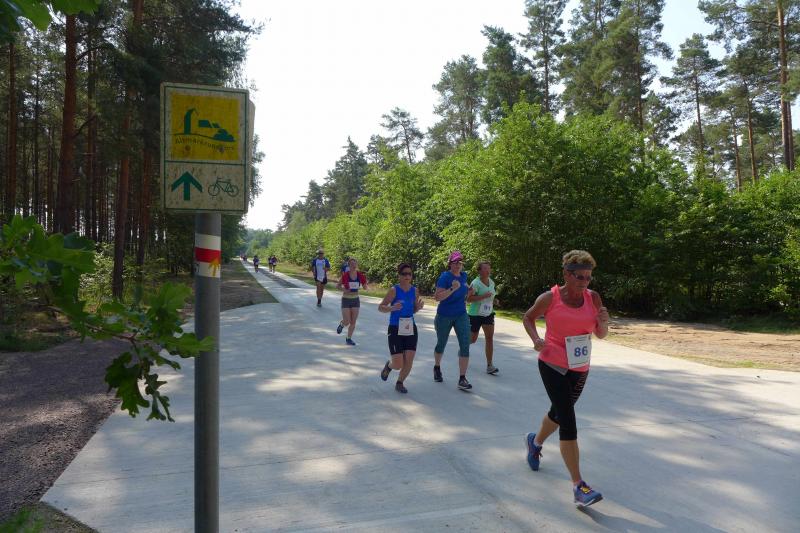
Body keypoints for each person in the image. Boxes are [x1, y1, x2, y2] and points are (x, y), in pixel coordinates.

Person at [521, 250, 610, 508]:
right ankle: (578, 486)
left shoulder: (593, 298)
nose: (585, 282)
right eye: (580, 277)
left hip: (579, 367)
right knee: (568, 419)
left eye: (588, 277)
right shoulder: (550, 298)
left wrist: (604, 323)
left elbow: (601, 334)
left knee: (558, 414)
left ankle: (535, 442)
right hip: (552, 364)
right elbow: (528, 317)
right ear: (567, 275)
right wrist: (536, 339)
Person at [379, 263, 424, 393]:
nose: (407, 276)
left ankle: (400, 382)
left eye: (409, 274)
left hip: (410, 327)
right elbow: (381, 307)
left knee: (409, 360)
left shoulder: (415, 291)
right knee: (398, 364)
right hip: (395, 328)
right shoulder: (394, 290)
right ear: (399, 276)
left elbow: (413, 310)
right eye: (404, 274)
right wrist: (392, 308)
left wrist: (417, 308)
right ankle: (389, 366)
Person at [433, 250, 474, 391]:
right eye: (455, 262)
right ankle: (437, 367)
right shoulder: (445, 277)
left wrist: (469, 290)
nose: (458, 265)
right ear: (450, 264)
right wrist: (452, 288)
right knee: (441, 344)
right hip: (444, 315)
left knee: (465, 344)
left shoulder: (463, 276)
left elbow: (464, 287)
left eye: (460, 262)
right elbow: (437, 297)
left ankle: (462, 378)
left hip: (461, 314)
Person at [467, 260, 499, 375]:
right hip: (475, 314)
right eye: (485, 268)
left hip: (488, 313)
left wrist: (494, 300)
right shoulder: (475, 283)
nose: (487, 270)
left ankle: (490, 365)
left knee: (489, 338)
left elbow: (491, 296)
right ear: (479, 271)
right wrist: (483, 296)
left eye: (488, 268)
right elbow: (468, 299)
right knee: (472, 339)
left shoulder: (491, 282)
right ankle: (463, 348)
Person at [336, 257, 368, 345]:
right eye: (352, 264)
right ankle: (342, 324)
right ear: (349, 266)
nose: (354, 265)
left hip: (355, 300)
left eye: (355, 264)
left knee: (353, 321)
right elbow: (338, 286)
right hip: (346, 299)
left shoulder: (360, 275)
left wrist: (365, 285)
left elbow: (365, 287)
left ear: (357, 265)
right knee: (347, 321)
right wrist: (344, 290)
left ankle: (348, 338)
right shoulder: (345, 275)